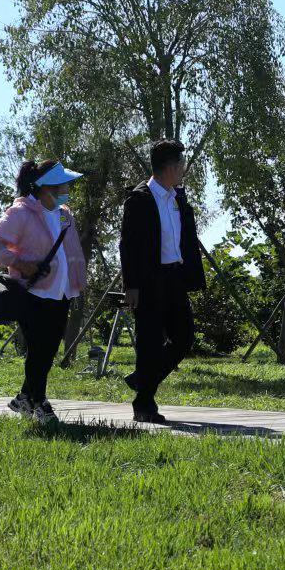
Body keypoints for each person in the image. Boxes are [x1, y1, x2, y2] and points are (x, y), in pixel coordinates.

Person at [0, 159, 89, 421]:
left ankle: (23, 399)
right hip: (33, 293)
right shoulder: (20, 213)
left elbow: (71, 250)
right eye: (62, 183)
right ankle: (39, 403)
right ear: (46, 186)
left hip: (60, 292)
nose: (67, 187)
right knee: (39, 350)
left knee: (48, 350)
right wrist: (21, 264)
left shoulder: (64, 213)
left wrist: (76, 282)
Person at [119, 140, 205, 424]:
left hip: (175, 276)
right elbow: (128, 245)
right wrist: (131, 286)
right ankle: (144, 404)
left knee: (184, 337)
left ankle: (143, 378)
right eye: (181, 165)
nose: (183, 170)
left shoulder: (177, 198)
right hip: (149, 279)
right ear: (169, 166)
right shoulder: (140, 198)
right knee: (150, 342)